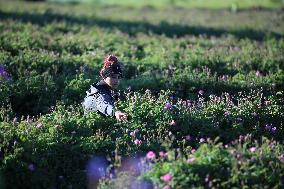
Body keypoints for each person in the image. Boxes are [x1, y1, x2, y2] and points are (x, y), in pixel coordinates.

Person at [82, 54, 127, 121]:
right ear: (104, 77)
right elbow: (103, 104)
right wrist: (115, 113)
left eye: (118, 77)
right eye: (113, 77)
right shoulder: (100, 92)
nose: (116, 80)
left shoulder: (103, 88)